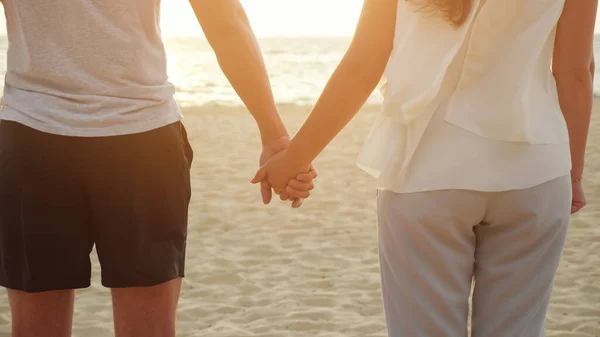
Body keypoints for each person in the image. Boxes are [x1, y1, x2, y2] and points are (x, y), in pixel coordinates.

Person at [253, 0, 596, 335]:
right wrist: (574, 173)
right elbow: (576, 72)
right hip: (535, 175)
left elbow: (363, 65)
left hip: (425, 172)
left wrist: (296, 157)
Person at [0, 1, 315, 336]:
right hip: (139, 142)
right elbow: (225, 22)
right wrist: (273, 132)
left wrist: (275, 133)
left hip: (36, 137)